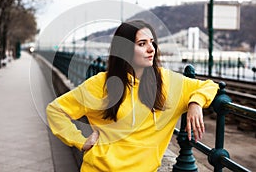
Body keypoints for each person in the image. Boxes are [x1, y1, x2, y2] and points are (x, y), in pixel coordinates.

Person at [46, 20, 219, 172]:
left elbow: (210, 85)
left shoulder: (167, 82)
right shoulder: (100, 84)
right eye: (142, 43)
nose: (151, 49)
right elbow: (55, 110)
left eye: (152, 42)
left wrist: (195, 103)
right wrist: (80, 141)